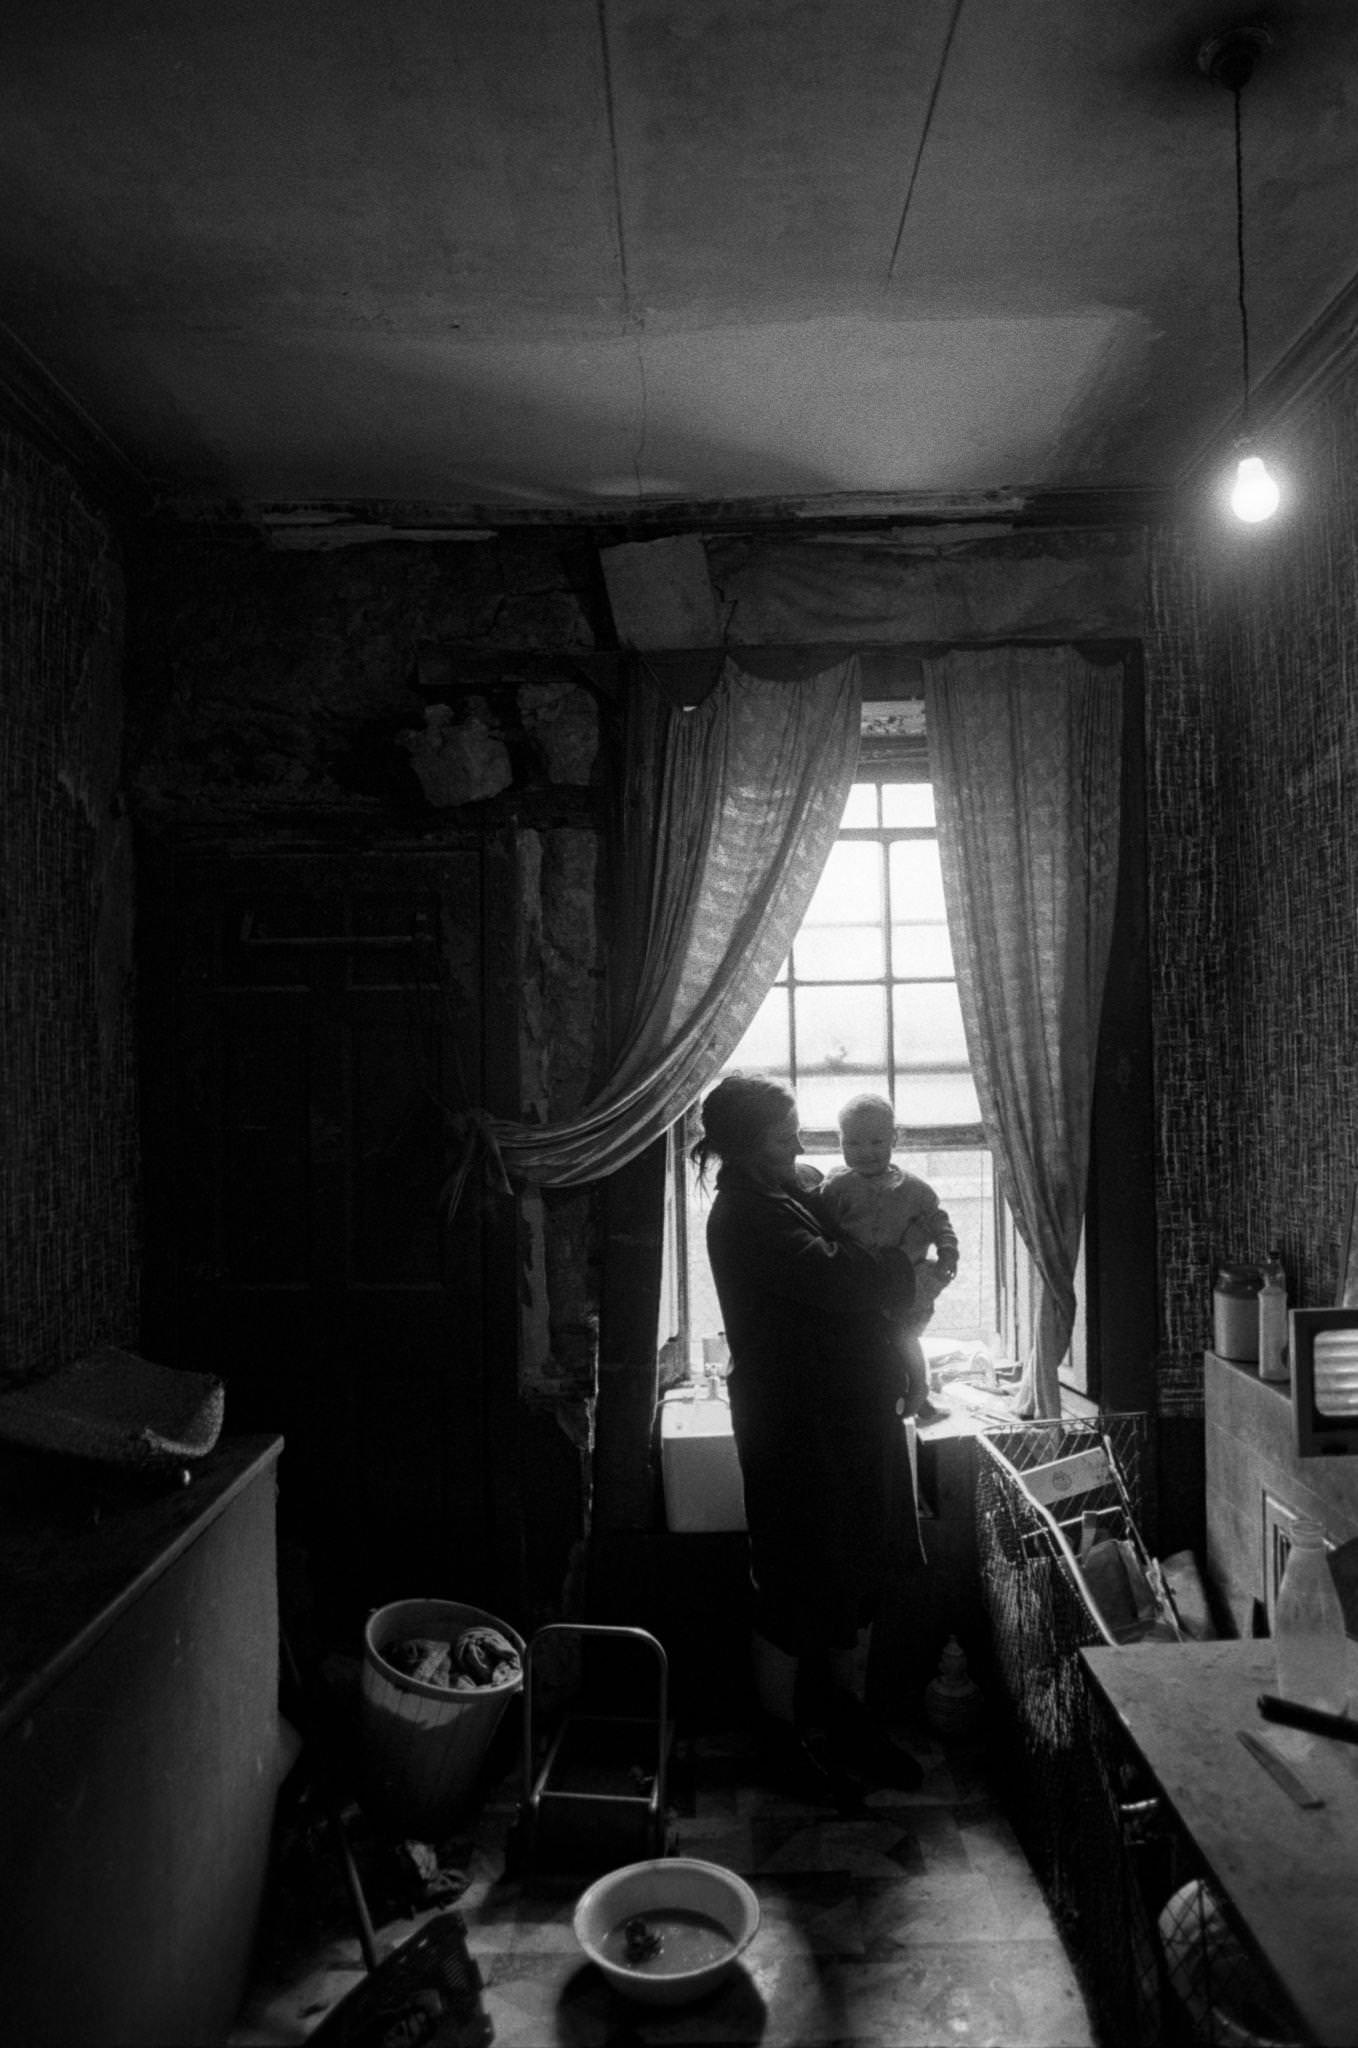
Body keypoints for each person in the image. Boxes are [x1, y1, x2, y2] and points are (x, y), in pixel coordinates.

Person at [694, 1071, 927, 1805]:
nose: (799, 1148)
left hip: (853, 1417)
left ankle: (845, 1718)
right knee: (792, 1579)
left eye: (797, 1134)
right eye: (783, 1139)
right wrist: (898, 1262)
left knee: (856, 1568)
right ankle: (779, 1737)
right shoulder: (745, 1217)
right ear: (741, 1148)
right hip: (793, 1424)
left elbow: (855, 1250)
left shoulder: (791, 1191)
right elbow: (845, 1281)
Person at [819, 1092, 960, 1426]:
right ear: (840, 1141)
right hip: (858, 1284)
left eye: (876, 1141)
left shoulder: (915, 1189)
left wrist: (948, 1250)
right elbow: (821, 1227)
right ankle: (890, 1399)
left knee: (905, 1338)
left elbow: (939, 1221)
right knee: (869, 1347)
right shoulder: (836, 1186)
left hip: (905, 1281)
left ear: (895, 1138)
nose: (865, 1152)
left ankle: (919, 1396)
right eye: (853, 1143)